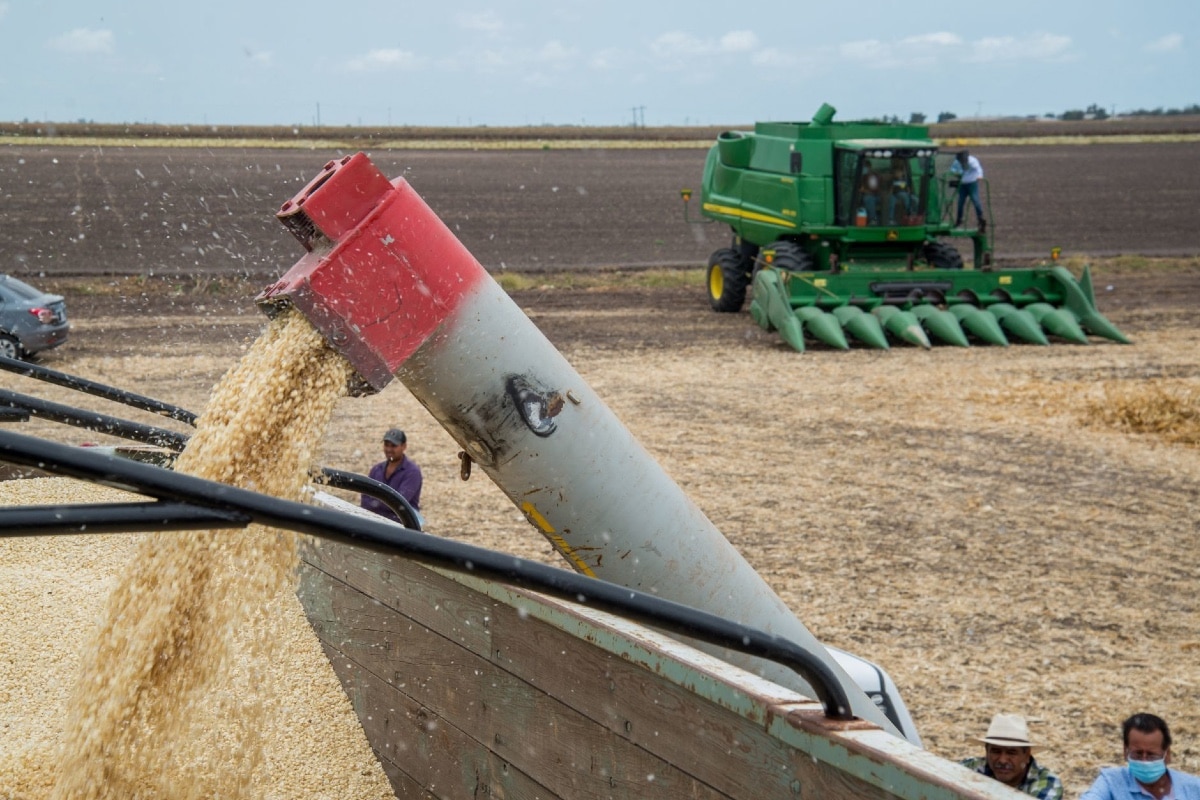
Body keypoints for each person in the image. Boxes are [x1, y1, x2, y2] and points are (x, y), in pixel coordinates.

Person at [1081, 713, 1200, 800]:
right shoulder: (1111, 782)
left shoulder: (1193, 789)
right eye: (1137, 754)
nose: (1144, 760)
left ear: (1167, 754)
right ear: (1125, 752)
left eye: (1151, 755)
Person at [960, 713, 1063, 799]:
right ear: (986, 752)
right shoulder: (970, 767)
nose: (1003, 760)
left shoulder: (1047, 783)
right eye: (996, 751)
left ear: (1026, 755)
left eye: (1011, 752)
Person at [361, 428, 423, 522]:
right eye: (386, 445)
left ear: (404, 446)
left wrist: (375, 503)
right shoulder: (376, 469)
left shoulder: (412, 472)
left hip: (402, 525)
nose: (389, 449)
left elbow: (399, 503)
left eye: (394, 446)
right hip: (375, 522)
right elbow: (365, 498)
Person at [950, 149, 986, 231]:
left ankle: (980, 219)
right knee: (960, 202)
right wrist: (957, 173)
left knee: (975, 200)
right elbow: (952, 169)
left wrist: (980, 176)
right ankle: (959, 220)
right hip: (962, 184)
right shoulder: (957, 162)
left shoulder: (972, 161)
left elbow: (978, 169)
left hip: (972, 183)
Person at [888, 158, 916, 224]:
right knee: (903, 196)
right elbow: (891, 189)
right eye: (896, 172)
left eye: (899, 172)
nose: (897, 174)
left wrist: (909, 192)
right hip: (897, 194)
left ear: (902, 173)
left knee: (915, 199)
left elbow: (908, 189)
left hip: (906, 194)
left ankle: (914, 214)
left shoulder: (905, 180)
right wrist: (890, 193)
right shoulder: (893, 180)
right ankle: (908, 212)